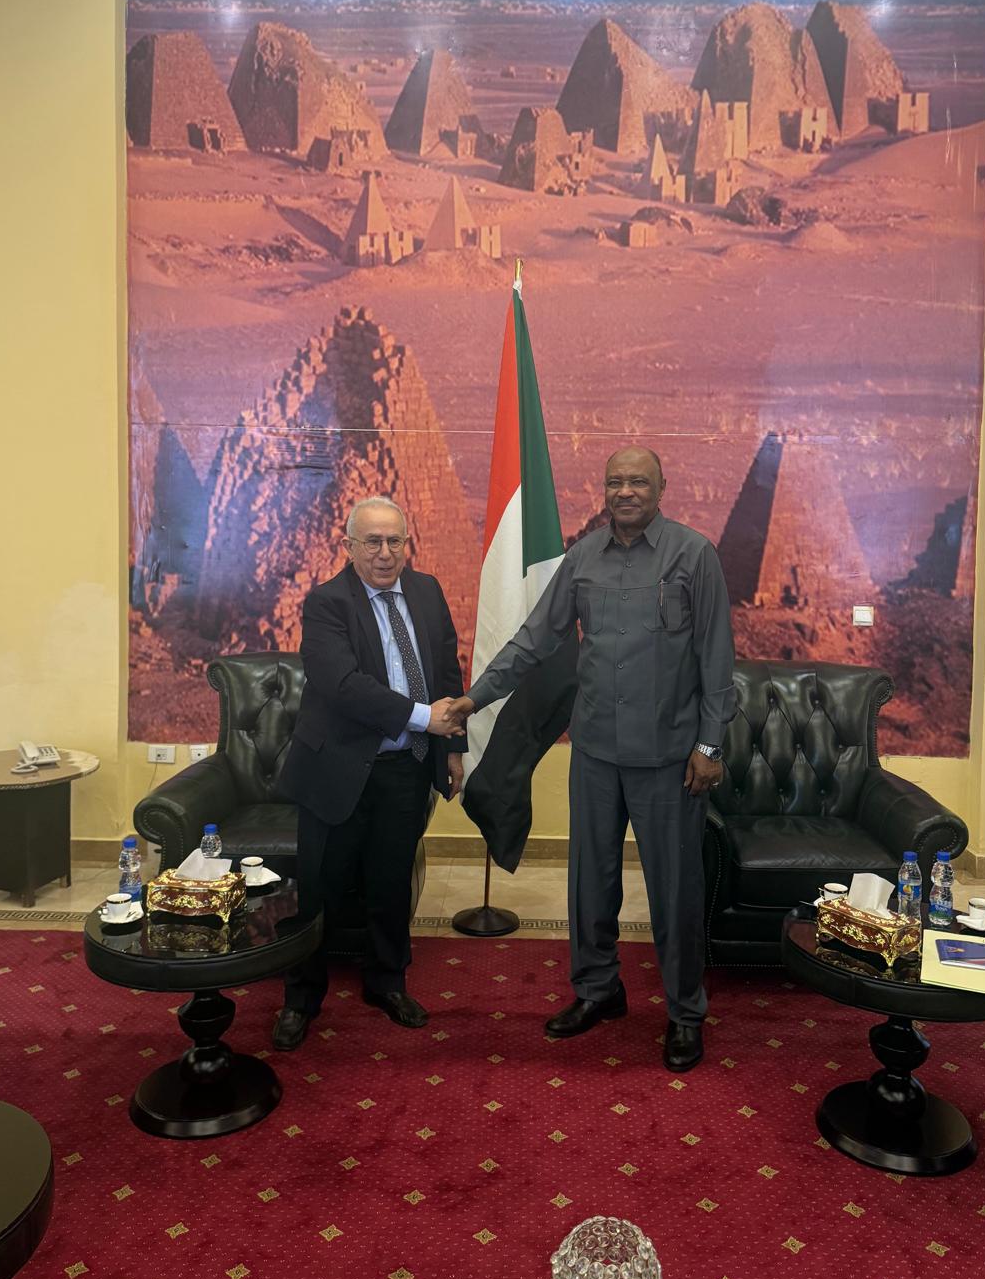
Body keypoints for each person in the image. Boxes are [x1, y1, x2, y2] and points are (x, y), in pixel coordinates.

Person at [452, 447, 736, 1072]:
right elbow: (533, 640)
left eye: (638, 481)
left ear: (662, 487)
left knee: (675, 892)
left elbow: (717, 658)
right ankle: (597, 989)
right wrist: (475, 698)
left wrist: (710, 745)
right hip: (597, 754)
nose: (625, 491)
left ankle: (685, 1013)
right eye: (615, 482)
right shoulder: (581, 558)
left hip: (670, 759)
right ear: (604, 490)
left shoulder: (694, 555)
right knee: (590, 881)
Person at [272, 496, 465, 1048]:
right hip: (337, 770)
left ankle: (387, 982)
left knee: (390, 884)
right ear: (349, 546)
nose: (385, 553)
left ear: (407, 543)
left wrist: (452, 746)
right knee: (320, 891)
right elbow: (343, 685)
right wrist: (425, 718)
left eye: (394, 541)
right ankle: (301, 999)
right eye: (373, 542)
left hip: (405, 768)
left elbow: (446, 670)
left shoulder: (426, 591)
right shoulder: (327, 603)